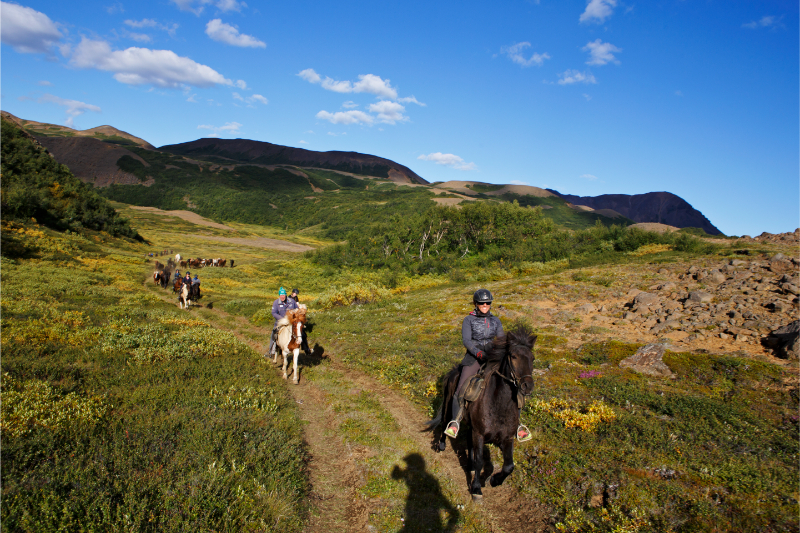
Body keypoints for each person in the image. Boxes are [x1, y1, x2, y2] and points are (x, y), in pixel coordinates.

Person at [443, 289, 531, 442]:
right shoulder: (468, 320)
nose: (485, 305)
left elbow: (502, 339)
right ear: (475, 304)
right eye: (482, 303)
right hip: (473, 358)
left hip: (492, 357)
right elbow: (467, 341)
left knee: (512, 386)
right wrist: (478, 353)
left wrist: (498, 350)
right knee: (460, 388)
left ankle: (517, 425)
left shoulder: (496, 321)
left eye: (488, 303)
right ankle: (455, 422)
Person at [268, 287, 298, 355]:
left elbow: (297, 309)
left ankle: (306, 348)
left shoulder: (292, 301)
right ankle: (271, 351)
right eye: (281, 295)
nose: (282, 297)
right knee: (274, 333)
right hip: (280, 322)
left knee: (301, 332)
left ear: (286, 295)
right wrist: (281, 319)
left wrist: (293, 316)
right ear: (279, 295)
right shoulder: (276, 302)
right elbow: (274, 313)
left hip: (291, 322)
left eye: (283, 295)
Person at [287, 288, 311, 356]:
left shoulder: (296, 298)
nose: (295, 294)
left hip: (294, 315)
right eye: (295, 293)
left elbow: (297, 305)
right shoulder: (288, 297)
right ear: (292, 292)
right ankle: (273, 350)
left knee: (302, 334)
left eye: (296, 294)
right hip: (289, 315)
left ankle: (306, 349)